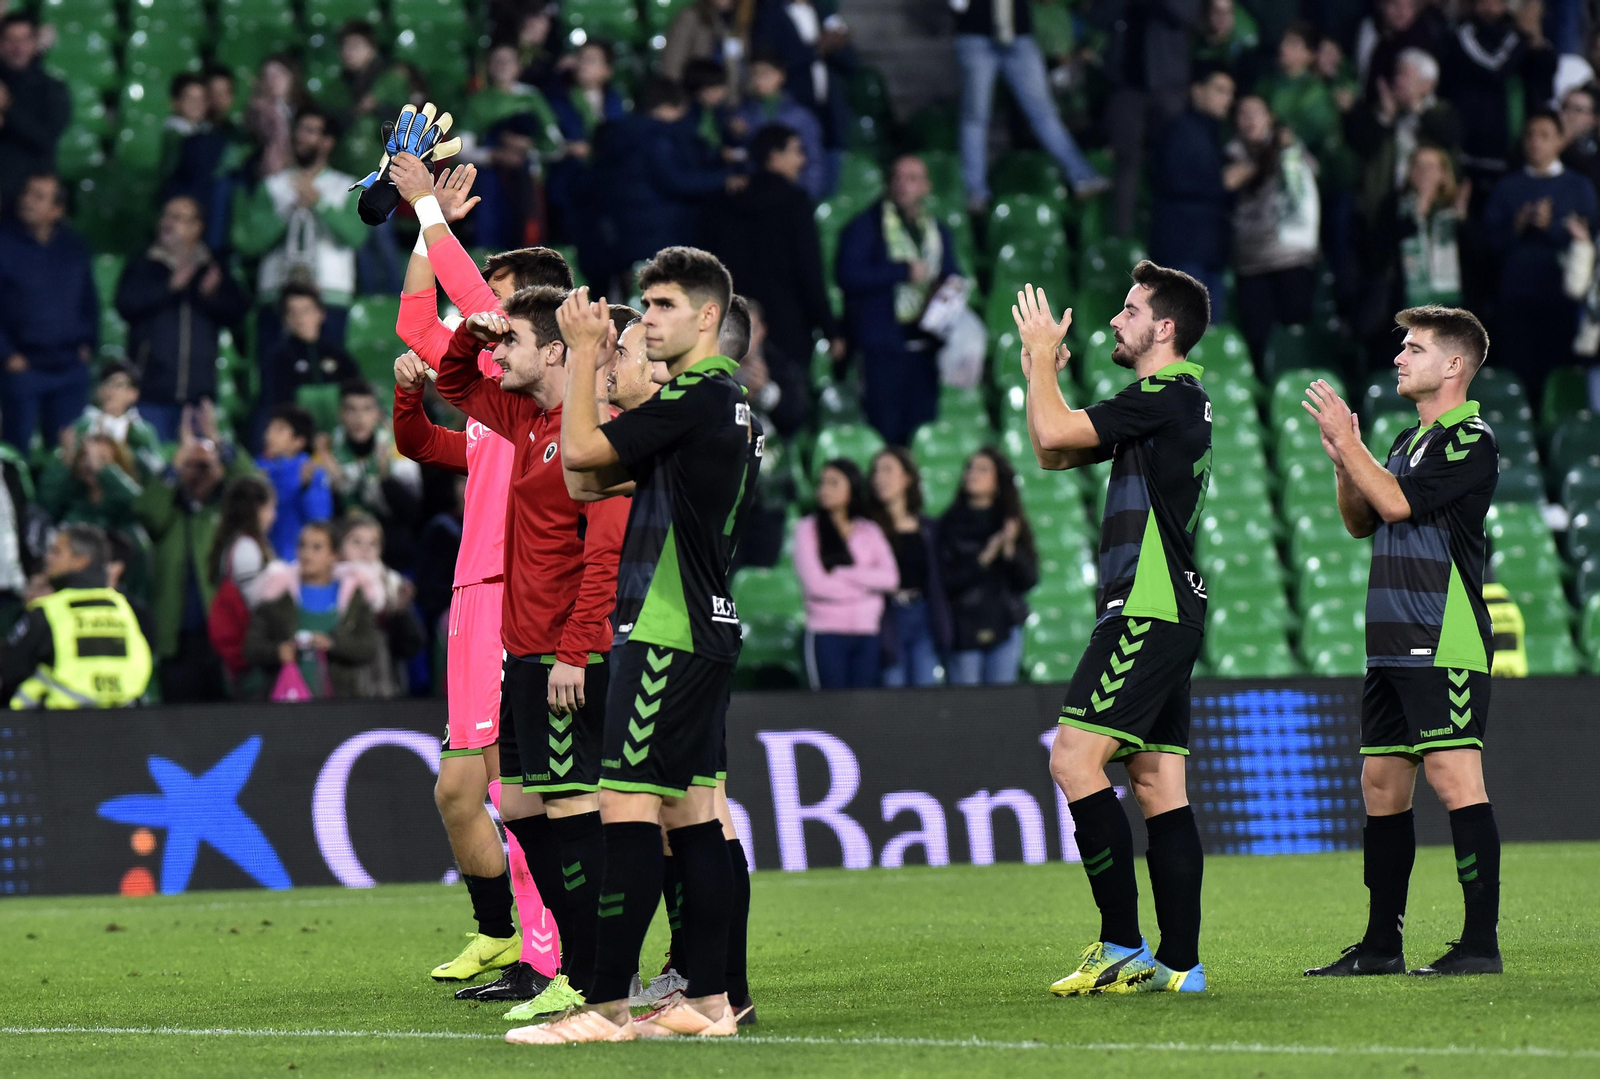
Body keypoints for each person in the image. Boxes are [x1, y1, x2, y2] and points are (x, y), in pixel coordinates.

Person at [531, 248, 749, 1041]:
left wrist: (585, 352)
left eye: (659, 306)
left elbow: (584, 458)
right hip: (705, 623)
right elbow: (589, 484)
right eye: (643, 306)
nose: (644, 320)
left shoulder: (693, 395)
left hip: (664, 625)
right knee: (693, 812)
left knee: (626, 802)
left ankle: (603, 1007)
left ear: (706, 318)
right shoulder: (728, 404)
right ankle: (713, 1000)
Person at [390, 155, 575, 1004]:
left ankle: (551, 953)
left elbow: (462, 311)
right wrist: (434, 232)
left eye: (494, 296)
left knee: (519, 787)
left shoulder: (543, 394)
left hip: (517, 589)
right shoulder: (498, 399)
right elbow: (416, 320)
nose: (480, 319)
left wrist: (431, 212)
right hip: (475, 594)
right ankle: (522, 943)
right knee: (487, 787)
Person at [432, 282, 629, 1025]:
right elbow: (454, 383)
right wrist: (470, 334)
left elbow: (603, 553)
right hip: (523, 650)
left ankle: (594, 971)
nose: (495, 354)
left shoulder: (591, 430)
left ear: (554, 350)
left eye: (509, 341)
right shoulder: (523, 416)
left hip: (562, 657)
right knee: (518, 802)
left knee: (573, 806)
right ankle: (580, 964)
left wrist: (576, 650)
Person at [1017, 262, 1213, 995]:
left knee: (1073, 760)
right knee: (1159, 782)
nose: (1113, 322)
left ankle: (1122, 942)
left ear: (1164, 328)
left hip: (1146, 605)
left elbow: (1054, 428)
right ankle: (1181, 964)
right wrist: (1045, 377)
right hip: (1172, 607)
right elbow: (1051, 447)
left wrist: (1040, 357)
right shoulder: (1173, 403)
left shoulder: (1163, 394)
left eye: (1129, 311)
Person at [1301, 305, 1502, 979]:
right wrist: (1341, 461)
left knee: (1453, 776)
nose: (1399, 357)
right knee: (1380, 784)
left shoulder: (1468, 439)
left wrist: (1352, 449)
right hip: (1390, 641)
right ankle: (1381, 944)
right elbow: (1363, 518)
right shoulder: (1402, 442)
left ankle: (1480, 944)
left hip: (1440, 637)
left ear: (1454, 365)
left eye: (1414, 348)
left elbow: (1395, 505)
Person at [704, 123, 839, 436]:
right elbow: (809, 273)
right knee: (789, 413)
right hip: (789, 329)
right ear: (773, 157)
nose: (802, 161)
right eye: (796, 152)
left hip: (734, 325)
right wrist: (831, 329)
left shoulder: (728, 201)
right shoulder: (794, 203)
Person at [836, 155, 961, 448]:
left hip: (926, 344)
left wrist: (950, 285)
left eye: (913, 178)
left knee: (922, 427)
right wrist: (901, 270)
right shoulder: (865, 226)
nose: (904, 185)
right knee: (885, 429)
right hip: (883, 344)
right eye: (898, 177)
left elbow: (951, 270)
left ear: (926, 187)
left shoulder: (937, 230)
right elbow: (848, 275)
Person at [1484, 109, 1600, 401]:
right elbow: (1489, 244)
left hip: (1560, 299)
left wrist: (1554, 228)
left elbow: (1589, 241)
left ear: (1561, 140)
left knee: (1558, 376)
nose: (1536, 142)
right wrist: (1517, 227)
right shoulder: (1508, 187)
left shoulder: (1579, 187)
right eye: (1531, 135)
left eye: (1545, 135)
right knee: (1518, 374)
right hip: (1516, 297)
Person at [231, 107, 364, 361]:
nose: (301, 138)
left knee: (328, 374)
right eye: (300, 131)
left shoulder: (348, 187)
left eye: (311, 132)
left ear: (328, 142)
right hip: (277, 297)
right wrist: (287, 209)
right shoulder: (272, 187)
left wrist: (320, 204)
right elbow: (248, 242)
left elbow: (356, 236)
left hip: (329, 296)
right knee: (274, 378)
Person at [138, 404, 251, 702]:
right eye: (191, 466)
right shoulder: (169, 509)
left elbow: (255, 488)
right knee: (179, 717)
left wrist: (219, 443)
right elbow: (147, 514)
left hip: (222, 634)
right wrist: (176, 463)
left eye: (206, 466)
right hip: (176, 634)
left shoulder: (230, 510)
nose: (199, 473)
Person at [115, 195, 250, 442]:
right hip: (150, 393)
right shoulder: (143, 265)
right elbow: (126, 306)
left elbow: (237, 313)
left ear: (196, 227)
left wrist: (211, 295)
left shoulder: (212, 268)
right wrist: (171, 286)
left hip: (198, 398)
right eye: (166, 216)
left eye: (178, 218)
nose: (168, 223)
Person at [951, 0, 1107, 210]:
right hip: (976, 36)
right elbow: (957, 4)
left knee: (1044, 113)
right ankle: (975, 192)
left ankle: (1082, 177)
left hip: (1020, 36)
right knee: (975, 117)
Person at [592, 78, 740, 287]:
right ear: (674, 107)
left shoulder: (621, 133)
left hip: (627, 231)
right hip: (659, 230)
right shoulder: (658, 138)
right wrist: (723, 179)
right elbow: (677, 181)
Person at [2, 525, 152, 709]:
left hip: (58, 726)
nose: (48, 558)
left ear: (81, 561)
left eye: (56, 552)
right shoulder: (124, 609)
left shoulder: (49, 611)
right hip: (124, 724)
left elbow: (10, 668)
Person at [0, 173, 98, 453]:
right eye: (27, 193)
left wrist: (88, 343)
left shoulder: (74, 246)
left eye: (38, 197)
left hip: (70, 367)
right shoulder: (3, 243)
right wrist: (6, 355)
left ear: (57, 210)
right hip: (23, 368)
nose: (27, 201)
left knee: (68, 454)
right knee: (16, 453)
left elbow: (89, 301)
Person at [1087, 0, 1200, 235]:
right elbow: (1098, 17)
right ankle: (1123, 238)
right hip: (1125, 85)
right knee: (1125, 162)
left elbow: (1186, 15)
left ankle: (1170, 234)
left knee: (1171, 161)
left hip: (1169, 84)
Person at [1226, 95, 1320, 365]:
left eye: (1256, 112)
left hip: (1291, 257)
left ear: (1270, 118)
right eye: (1243, 113)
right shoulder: (1230, 152)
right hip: (1251, 262)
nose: (1250, 119)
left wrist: (1290, 149)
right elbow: (1226, 184)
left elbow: (1313, 174)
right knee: (1258, 339)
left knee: (1295, 334)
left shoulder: (1289, 149)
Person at [243, 521, 384, 700]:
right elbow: (251, 647)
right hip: (284, 704)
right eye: (302, 545)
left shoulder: (355, 597)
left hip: (341, 705)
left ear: (334, 555)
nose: (306, 554)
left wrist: (333, 644)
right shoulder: (276, 594)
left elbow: (369, 648)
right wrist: (277, 651)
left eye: (317, 547)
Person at [793, 457, 898, 689]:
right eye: (822, 483)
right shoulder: (806, 529)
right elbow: (816, 585)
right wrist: (867, 590)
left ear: (852, 487)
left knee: (862, 713)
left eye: (834, 483)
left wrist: (843, 573)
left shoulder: (869, 530)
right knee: (829, 713)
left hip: (867, 634)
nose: (825, 489)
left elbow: (890, 578)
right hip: (825, 634)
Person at [938, 447, 1038, 686]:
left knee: (1001, 707)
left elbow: (1029, 580)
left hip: (1005, 624)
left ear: (998, 481)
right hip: (963, 625)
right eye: (970, 468)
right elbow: (946, 581)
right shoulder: (948, 524)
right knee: (968, 708)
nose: (972, 474)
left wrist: (1009, 551)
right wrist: (984, 558)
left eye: (983, 470)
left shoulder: (1011, 522)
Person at [1440, 0, 1556, 201]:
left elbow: (1544, 76)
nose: (1491, 8)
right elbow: (1494, 66)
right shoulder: (1463, 34)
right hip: (1469, 152)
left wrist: (1535, 36)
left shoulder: (1516, 36)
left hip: (1510, 152)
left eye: (1498, 2)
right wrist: (1523, 35)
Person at [1150, 66, 1235, 320]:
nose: (1227, 99)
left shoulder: (1215, 134)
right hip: (1183, 250)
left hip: (1211, 252)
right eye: (1220, 90)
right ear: (1197, 91)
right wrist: (1222, 183)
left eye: (1230, 93)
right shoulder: (1179, 130)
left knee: (1209, 335)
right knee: (1185, 333)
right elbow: (1173, 180)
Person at [1346, 48, 1461, 224]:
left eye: (1405, 75)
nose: (1398, 80)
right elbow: (1363, 148)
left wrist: (1416, 106)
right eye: (1397, 74)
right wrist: (1385, 118)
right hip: (1384, 210)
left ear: (1427, 84)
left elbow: (1448, 135)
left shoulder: (1442, 112)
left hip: (1433, 210)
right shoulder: (1383, 112)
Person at [868, 447, 950, 687]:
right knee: (892, 685)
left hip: (922, 613)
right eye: (876, 471)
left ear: (907, 478)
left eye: (888, 470)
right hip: (886, 617)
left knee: (925, 687)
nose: (879, 478)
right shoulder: (867, 528)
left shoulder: (927, 528)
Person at [325, 379, 422, 566]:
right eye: (351, 410)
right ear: (340, 414)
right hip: (342, 535)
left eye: (367, 409)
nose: (359, 418)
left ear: (377, 414)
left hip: (389, 538)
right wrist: (333, 485)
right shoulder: (327, 450)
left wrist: (385, 478)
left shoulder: (399, 447)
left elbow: (413, 513)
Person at [334, 511, 424, 697]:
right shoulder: (329, 582)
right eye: (356, 542)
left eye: (373, 543)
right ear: (340, 546)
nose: (365, 550)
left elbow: (412, 645)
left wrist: (400, 612)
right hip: (340, 686)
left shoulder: (391, 584)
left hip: (385, 686)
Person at [731, 58, 825, 200]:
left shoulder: (800, 116)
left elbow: (814, 158)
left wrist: (808, 194)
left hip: (791, 193)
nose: (759, 80)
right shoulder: (742, 114)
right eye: (754, 74)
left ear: (781, 75)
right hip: (756, 194)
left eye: (765, 74)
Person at [0, 13, 69, 207]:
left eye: (24, 39)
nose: (17, 47)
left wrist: (8, 107)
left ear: (35, 42)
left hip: (32, 198)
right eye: (9, 39)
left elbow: (46, 139)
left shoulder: (53, 89)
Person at [262, 283, 361, 416]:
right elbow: (279, 405)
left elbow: (359, 394)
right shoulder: (278, 358)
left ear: (321, 314)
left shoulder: (339, 356)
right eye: (292, 312)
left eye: (306, 310)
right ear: (285, 318)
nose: (300, 318)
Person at [66, 362, 164, 483]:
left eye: (118, 385)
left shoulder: (142, 432)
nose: (110, 390)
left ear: (133, 394)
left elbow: (154, 473)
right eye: (106, 383)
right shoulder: (82, 426)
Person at [257, 403, 334, 559]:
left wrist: (306, 489)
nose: (268, 435)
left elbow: (320, 520)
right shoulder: (258, 470)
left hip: (297, 561)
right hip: (263, 558)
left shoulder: (313, 472)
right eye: (269, 429)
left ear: (298, 441)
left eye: (279, 429)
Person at [208, 471, 277, 610]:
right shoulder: (246, 548)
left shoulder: (238, 542)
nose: (274, 515)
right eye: (271, 507)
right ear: (257, 509)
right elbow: (257, 606)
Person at [661, 0, 746, 97]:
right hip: (692, 91)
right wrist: (674, 94)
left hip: (723, 96)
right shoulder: (691, 16)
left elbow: (736, 62)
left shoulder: (737, 19)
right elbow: (673, 58)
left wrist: (731, 96)